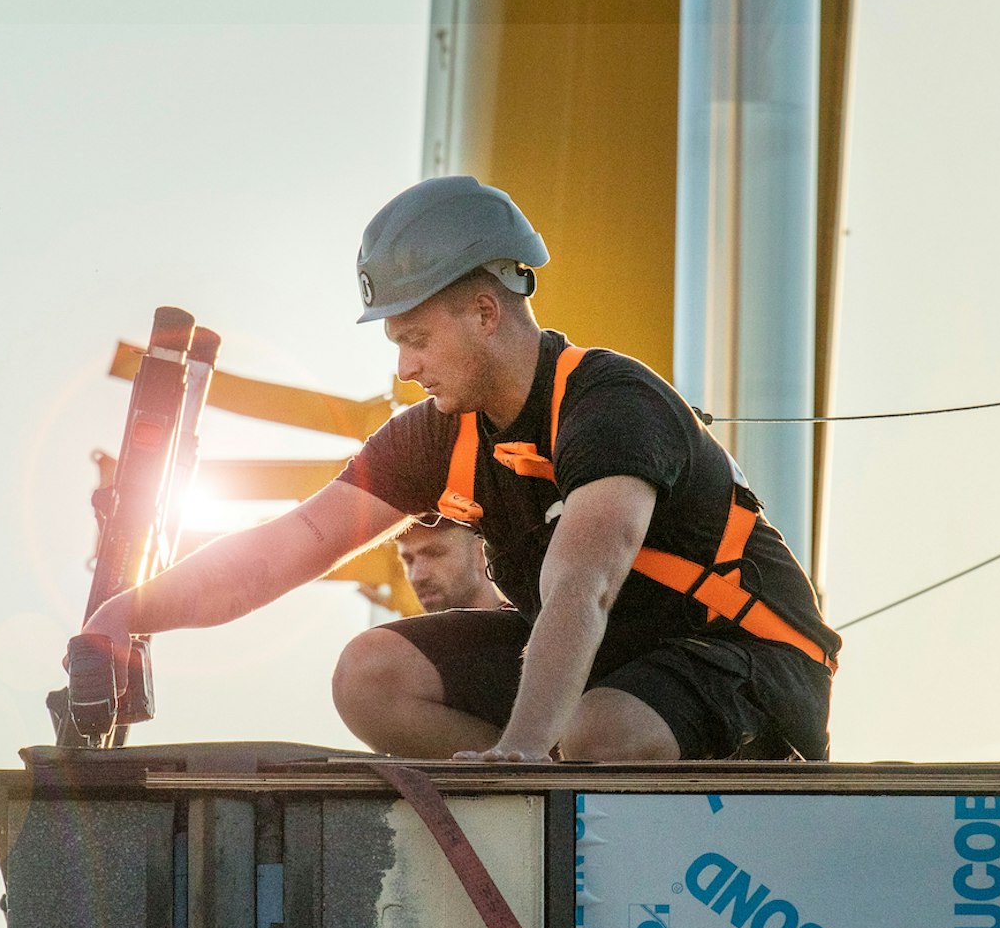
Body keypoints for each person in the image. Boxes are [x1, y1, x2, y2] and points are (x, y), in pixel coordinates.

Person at [81, 175, 839, 761]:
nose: (406, 368)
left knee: (595, 730)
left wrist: (523, 750)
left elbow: (585, 582)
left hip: (747, 660)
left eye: (414, 339)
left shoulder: (611, 403)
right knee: (370, 676)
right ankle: (509, 804)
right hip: (603, 665)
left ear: (484, 312)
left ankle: (532, 775)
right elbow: (291, 543)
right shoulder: (435, 438)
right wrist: (125, 616)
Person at [395, 520, 503, 613]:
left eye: (434, 553)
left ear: (481, 554)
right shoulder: (407, 636)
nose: (417, 577)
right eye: (408, 560)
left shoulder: (518, 632)